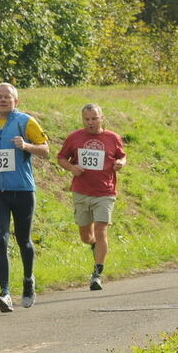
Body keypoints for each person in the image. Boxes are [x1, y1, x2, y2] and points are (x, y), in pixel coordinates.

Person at [0, 83, 50, 311]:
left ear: (15, 101)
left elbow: (46, 150)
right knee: (0, 238)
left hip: (22, 190)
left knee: (23, 239)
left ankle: (28, 281)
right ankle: (5, 292)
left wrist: (26, 145)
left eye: (7, 97)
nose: (3, 100)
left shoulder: (25, 121)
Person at [56, 104, 127, 290]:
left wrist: (120, 163)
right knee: (86, 236)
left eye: (94, 118)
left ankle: (97, 273)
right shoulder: (74, 138)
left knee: (101, 230)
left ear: (101, 118)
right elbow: (61, 157)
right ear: (82, 119)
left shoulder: (112, 138)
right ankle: (94, 245)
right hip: (81, 191)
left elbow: (122, 156)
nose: (90, 122)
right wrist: (72, 168)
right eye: (87, 119)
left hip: (105, 192)